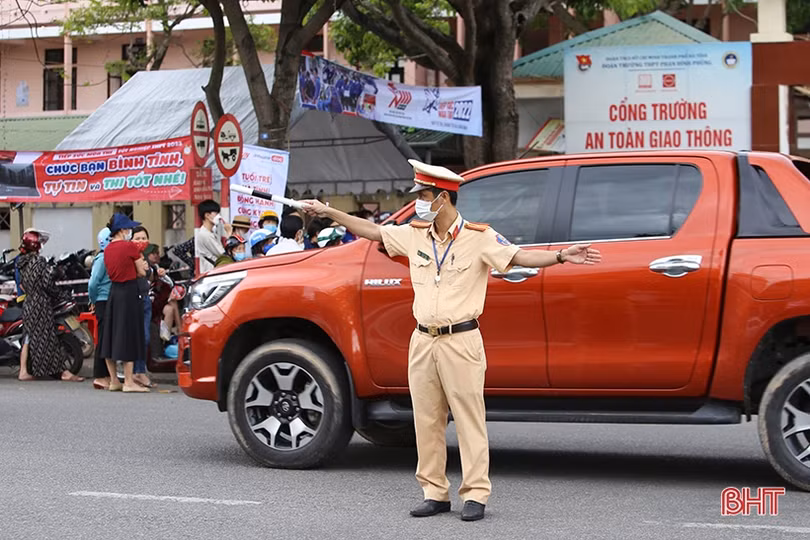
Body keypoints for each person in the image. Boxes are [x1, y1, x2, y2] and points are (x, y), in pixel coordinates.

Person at [302, 160, 602, 522]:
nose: (419, 204)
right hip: (423, 340)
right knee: (426, 421)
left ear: (443, 198)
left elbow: (519, 256)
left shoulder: (480, 237)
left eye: (424, 196)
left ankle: (475, 494)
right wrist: (327, 211)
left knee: (468, 418)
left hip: (461, 340)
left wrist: (559, 256)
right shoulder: (415, 234)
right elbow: (374, 232)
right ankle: (434, 492)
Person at [16, 230, 84, 382]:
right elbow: (47, 283)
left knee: (28, 338)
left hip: (29, 303)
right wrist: (59, 293)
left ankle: (23, 371)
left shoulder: (22, 262)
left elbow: (24, 284)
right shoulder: (39, 262)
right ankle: (63, 372)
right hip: (41, 304)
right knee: (47, 339)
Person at [101, 213, 149, 393]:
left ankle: (114, 380)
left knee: (111, 335)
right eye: (128, 228)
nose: (130, 231)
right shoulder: (129, 247)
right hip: (129, 292)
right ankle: (129, 381)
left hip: (114, 292)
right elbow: (142, 272)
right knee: (129, 335)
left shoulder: (107, 249)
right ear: (122, 230)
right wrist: (141, 269)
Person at [131, 227, 158, 388]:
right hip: (134, 300)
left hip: (146, 299)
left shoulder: (145, 257)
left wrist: (154, 271)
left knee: (145, 337)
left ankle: (140, 370)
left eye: (143, 238)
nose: (141, 241)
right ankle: (136, 372)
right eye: (137, 238)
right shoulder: (129, 256)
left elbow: (150, 277)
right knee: (138, 337)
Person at [88, 227, 113, 390]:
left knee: (108, 338)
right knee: (104, 339)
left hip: (110, 301)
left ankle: (107, 375)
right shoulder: (102, 258)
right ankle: (99, 375)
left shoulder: (109, 257)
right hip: (103, 301)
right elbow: (93, 282)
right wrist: (93, 299)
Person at [195, 199, 230, 275]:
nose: (219, 216)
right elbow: (223, 254)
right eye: (216, 213)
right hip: (211, 273)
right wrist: (229, 233)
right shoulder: (205, 235)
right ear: (207, 215)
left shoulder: (212, 233)